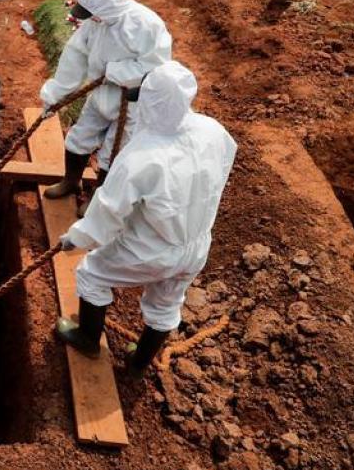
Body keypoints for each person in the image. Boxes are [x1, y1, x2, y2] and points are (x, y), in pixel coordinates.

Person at [54, 61, 237, 375]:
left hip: (151, 248)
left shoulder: (143, 153)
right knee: (166, 303)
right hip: (195, 245)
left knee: (92, 274)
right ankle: (140, 361)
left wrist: (76, 238)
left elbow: (108, 211)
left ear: (150, 101)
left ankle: (87, 338)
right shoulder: (214, 131)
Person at [39, 0, 172, 207]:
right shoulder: (95, 23)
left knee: (114, 151)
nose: (89, 18)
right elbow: (75, 55)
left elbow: (157, 65)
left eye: (93, 14)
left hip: (130, 101)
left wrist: (117, 73)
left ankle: (98, 200)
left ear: (105, 7)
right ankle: (71, 181)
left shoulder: (146, 24)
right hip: (100, 94)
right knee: (80, 136)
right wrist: (54, 97)